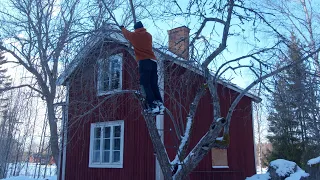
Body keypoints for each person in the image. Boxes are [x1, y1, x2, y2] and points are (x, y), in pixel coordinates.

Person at [119, 21, 165, 114]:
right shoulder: (149, 35)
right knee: (153, 84)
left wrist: (122, 28)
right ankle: (159, 103)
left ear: (135, 29)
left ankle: (152, 105)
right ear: (143, 27)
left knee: (145, 84)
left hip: (144, 62)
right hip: (153, 62)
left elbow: (126, 34)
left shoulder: (134, 36)